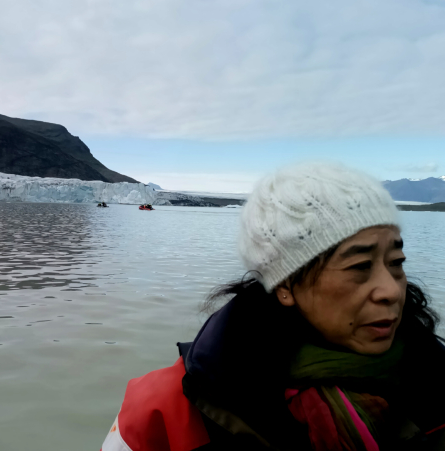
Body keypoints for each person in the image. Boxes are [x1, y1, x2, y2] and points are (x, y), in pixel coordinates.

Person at [102, 161, 445, 450]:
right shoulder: (164, 413)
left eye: (396, 262)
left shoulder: (434, 382)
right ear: (285, 284)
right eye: (359, 267)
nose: (391, 290)